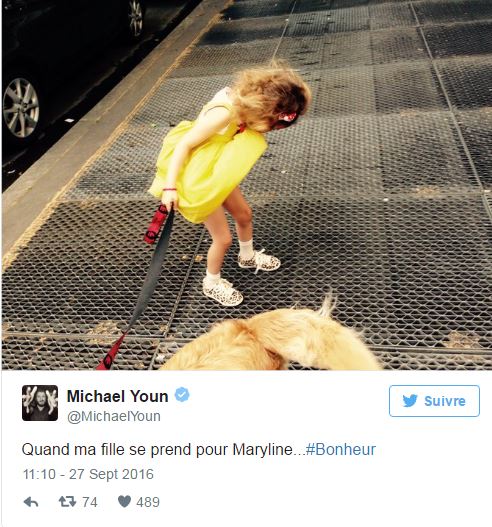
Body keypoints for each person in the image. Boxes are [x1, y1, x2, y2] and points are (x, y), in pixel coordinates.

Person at [148, 61, 311, 306]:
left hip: (216, 170)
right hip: (198, 179)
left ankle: (247, 256)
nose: (271, 130)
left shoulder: (243, 102)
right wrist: (170, 188)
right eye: (272, 125)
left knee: (244, 215)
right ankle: (211, 282)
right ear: (260, 108)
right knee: (223, 239)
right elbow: (184, 145)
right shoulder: (223, 113)